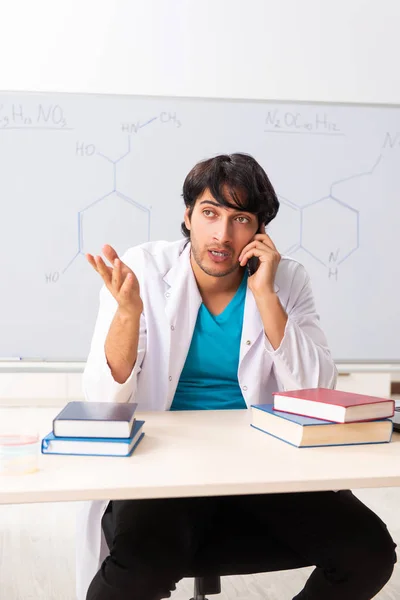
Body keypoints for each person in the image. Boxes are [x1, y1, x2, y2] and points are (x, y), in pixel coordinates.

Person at [77, 153, 396, 600]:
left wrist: (265, 295)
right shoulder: (144, 270)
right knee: (134, 575)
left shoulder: (287, 280)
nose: (222, 235)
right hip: (164, 469)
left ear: (260, 231)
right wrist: (128, 315)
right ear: (187, 217)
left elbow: (317, 388)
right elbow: (102, 399)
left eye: (240, 219)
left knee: (369, 552)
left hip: (264, 466)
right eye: (210, 213)